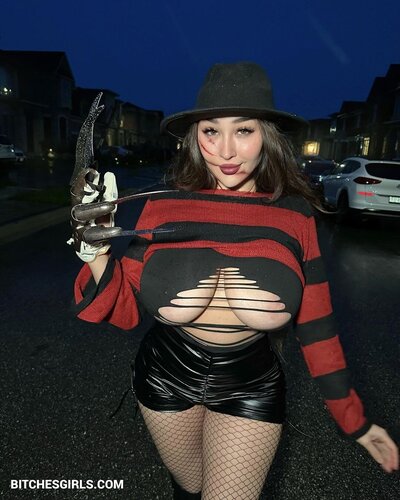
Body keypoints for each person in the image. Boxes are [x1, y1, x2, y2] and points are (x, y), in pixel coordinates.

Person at [71, 62, 398, 499]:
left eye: (243, 130)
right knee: (189, 487)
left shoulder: (294, 215)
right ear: (195, 137)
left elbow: (318, 327)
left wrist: (354, 420)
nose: (225, 150)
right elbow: (125, 309)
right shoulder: (164, 207)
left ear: (267, 136)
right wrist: (96, 253)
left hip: (251, 383)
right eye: (211, 131)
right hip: (165, 373)